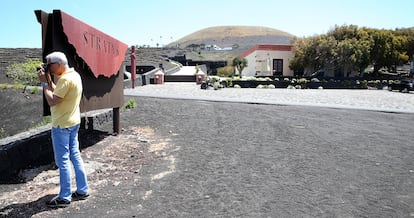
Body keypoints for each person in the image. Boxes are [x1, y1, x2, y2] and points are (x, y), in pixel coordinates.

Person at [38, 51, 89, 208]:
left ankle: (64, 197)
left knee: (63, 161)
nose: (49, 69)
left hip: (62, 125)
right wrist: (47, 78)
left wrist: (44, 84)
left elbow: (53, 100)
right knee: (75, 155)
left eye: (49, 65)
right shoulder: (74, 76)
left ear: (58, 65)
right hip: (73, 122)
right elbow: (58, 91)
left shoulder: (65, 80)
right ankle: (82, 190)